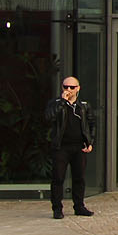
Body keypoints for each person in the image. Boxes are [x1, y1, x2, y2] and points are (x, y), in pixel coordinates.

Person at [46, 75, 96, 219]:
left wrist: (90, 142)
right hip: (61, 147)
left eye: (72, 87)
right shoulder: (55, 103)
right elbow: (49, 117)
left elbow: (91, 124)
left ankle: (79, 206)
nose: (69, 90)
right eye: (65, 87)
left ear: (78, 89)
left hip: (79, 147)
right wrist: (63, 102)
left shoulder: (84, 106)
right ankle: (57, 208)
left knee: (79, 177)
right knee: (58, 178)